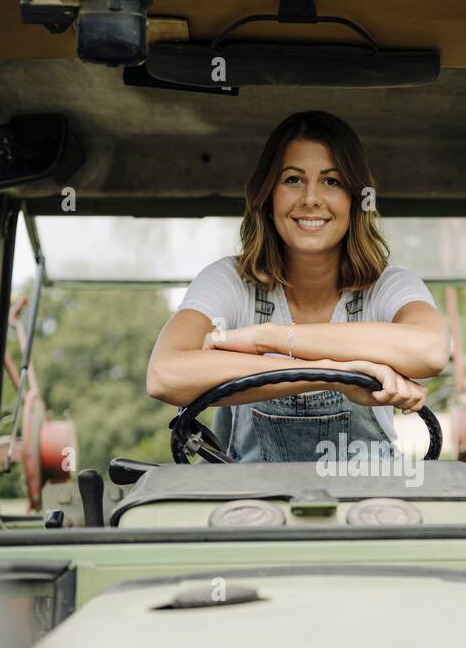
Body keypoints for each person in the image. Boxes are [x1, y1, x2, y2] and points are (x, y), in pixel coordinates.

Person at [147, 110, 449, 463]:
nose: (310, 198)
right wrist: (337, 375)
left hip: (368, 509)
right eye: (293, 179)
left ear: (355, 199)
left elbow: (430, 351)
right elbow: (164, 375)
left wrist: (269, 339)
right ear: (268, 194)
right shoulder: (230, 281)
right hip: (249, 509)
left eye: (331, 181)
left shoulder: (387, 287)